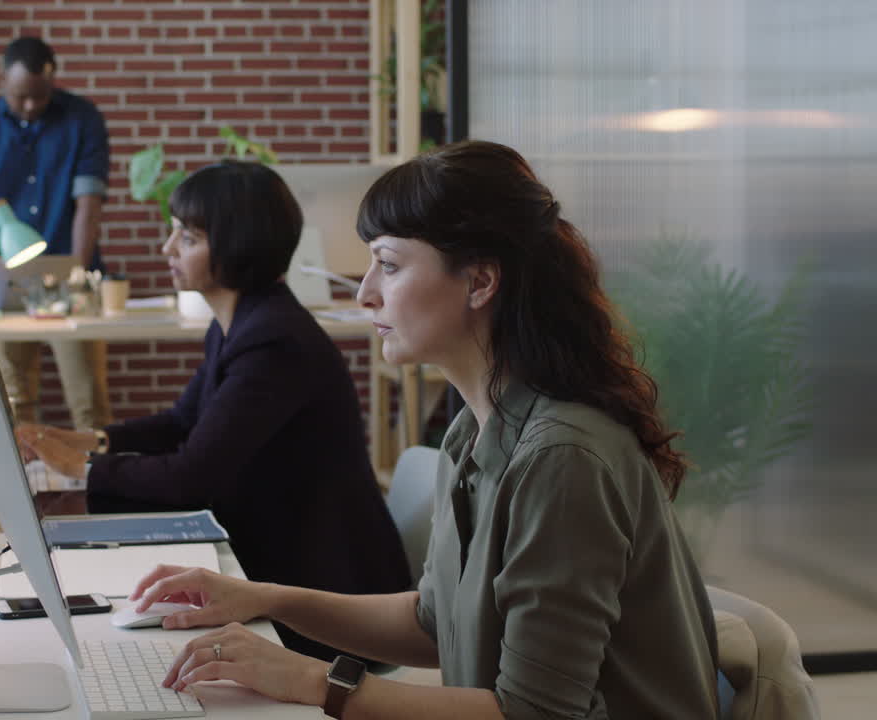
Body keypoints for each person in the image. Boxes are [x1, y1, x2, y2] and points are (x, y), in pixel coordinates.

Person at [127, 142, 721, 719]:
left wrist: (314, 681)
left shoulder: (562, 456)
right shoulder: (473, 429)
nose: (365, 293)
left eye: (387, 264)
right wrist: (264, 599)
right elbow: (434, 625)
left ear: (480, 281)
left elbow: (534, 712)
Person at [16, 161, 411, 661]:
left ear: (235, 244)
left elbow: (192, 475)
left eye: (187, 237)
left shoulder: (274, 340)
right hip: (285, 557)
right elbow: (182, 423)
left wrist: (80, 469)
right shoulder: (240, 322)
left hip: (324, 592)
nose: (167, 249)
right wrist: (85, 440)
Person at [0, 36, 112, 429]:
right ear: (1, 79)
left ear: (53, 81)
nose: (30, 105)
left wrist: (76, 273)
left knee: (88, 399)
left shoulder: (83, 120)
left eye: (40, 97)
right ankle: (25, 488)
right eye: (20, 96)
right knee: (13, 400)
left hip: (69, 272)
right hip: (8, 282)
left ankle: (101, 484)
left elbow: (88, 208)